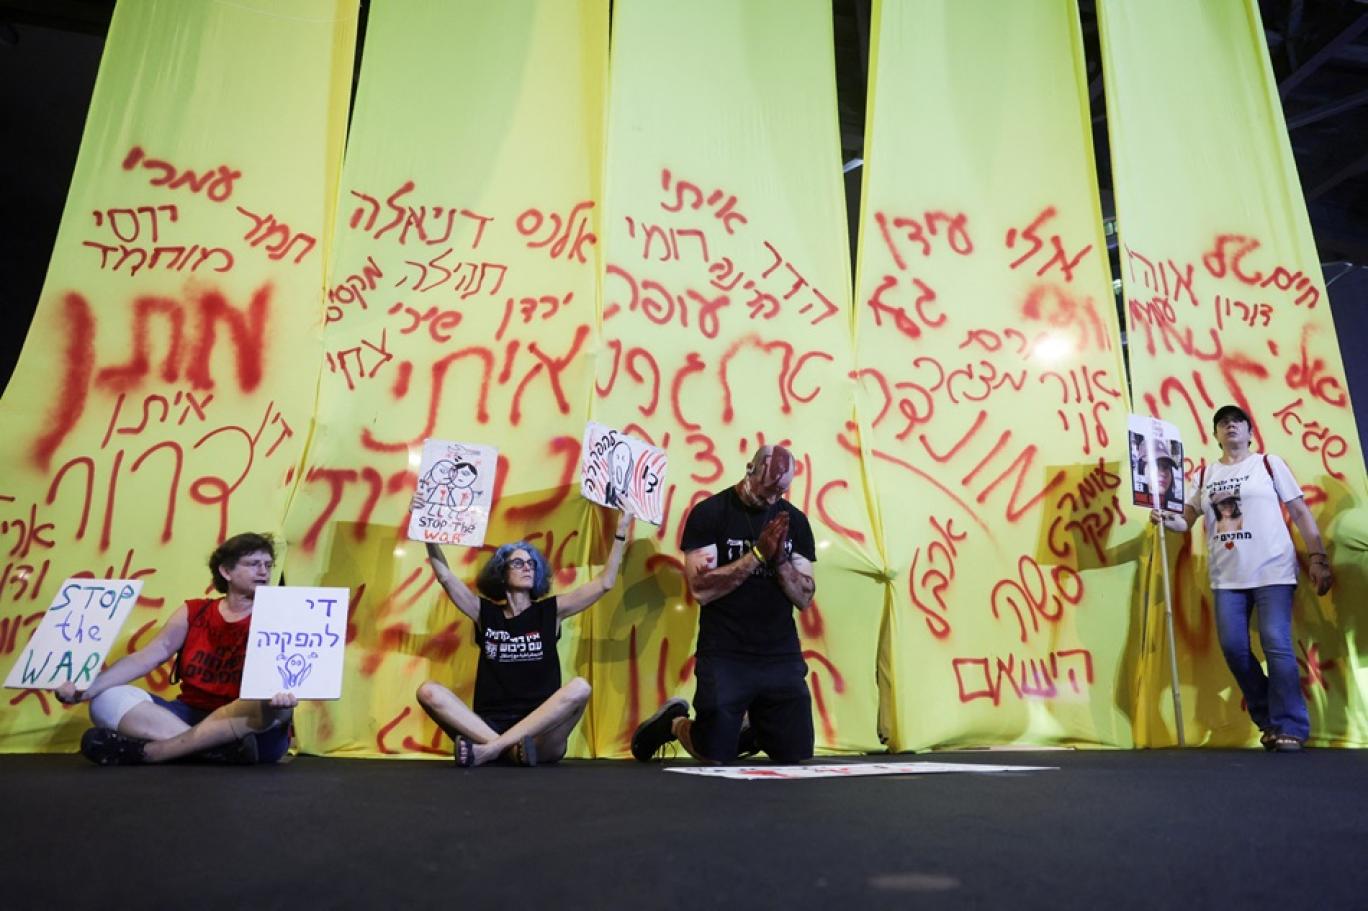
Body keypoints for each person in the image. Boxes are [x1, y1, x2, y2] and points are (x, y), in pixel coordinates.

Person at [1153, 404, 1333, 752]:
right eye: (1223, 422)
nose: (1230, 425)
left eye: (1237, 421)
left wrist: (1318, 558)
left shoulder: (1268, 464)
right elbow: (1184, 520)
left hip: (1273, 570)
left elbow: (1299, 511)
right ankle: (1268, 720)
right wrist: (1166, 518)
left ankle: (1290, 727)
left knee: (1276, 643)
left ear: (1250, 432)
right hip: (1227, 577)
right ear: (1215, 434)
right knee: (1234, 649)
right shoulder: (1205, 475)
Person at [631, 444, 817, 764]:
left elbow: (804, 597)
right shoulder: (711, 513)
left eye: (780, 492)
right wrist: (756, 555)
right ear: (750, 470)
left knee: (795, 754)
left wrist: (779, 560)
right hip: (726, 650)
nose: (772, 499)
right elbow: (701, 589)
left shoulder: (794, 522)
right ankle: (675, 723)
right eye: (767, 489)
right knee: (714, 755)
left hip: (779, 651)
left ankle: (744, 730)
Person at [417, 508, 634, 766]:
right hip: (488, 726)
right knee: (428, 692)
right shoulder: (484, 613)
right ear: (501, 573)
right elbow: (445, 577)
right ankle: (508, 750)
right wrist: (426, 527)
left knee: (580, 687)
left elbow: (604, 583)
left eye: (532, 564)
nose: (527, 568)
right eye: (518, 563)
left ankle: (491, 750)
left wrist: (620, 532)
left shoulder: (551, 611)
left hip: (540, 734)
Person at [56, 532, 297, 765]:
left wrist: (283, 696)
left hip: (245, 723)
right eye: (253, 564)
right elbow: (147, 657)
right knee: (105, 699)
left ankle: (157, 752)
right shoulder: (195, 611)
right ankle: (213, 750)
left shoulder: (279, 616)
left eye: (268, 565)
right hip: (189, 716)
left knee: (272, 707)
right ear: (226, 571)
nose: (264, 571)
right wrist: (87, 690)